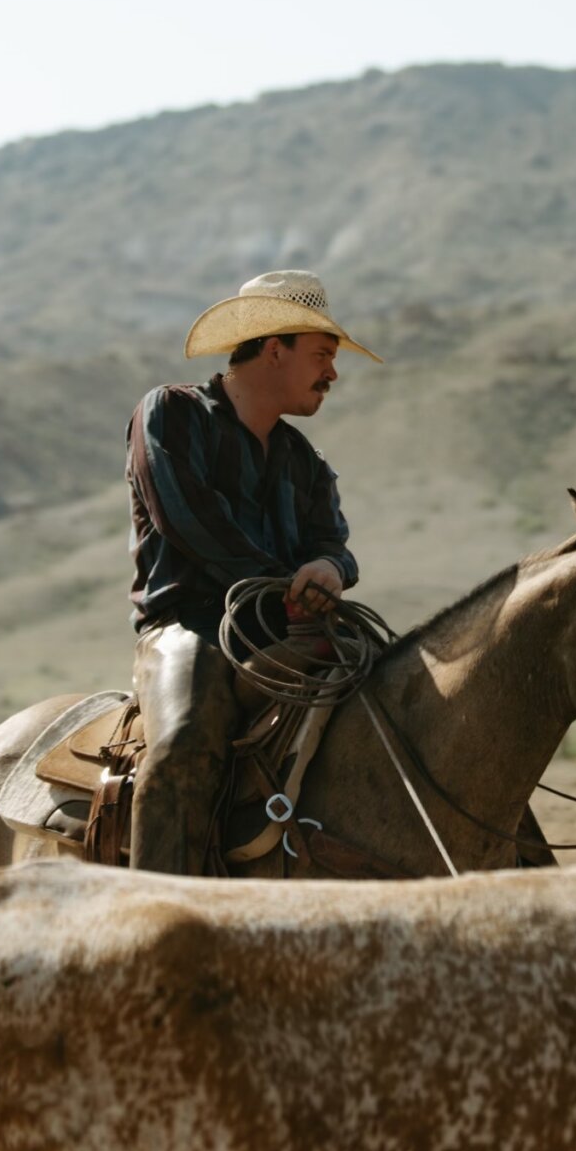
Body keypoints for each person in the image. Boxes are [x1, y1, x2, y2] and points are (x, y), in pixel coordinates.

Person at [125, 269, 382, 875]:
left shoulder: (305, 461)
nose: (333, 373)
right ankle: (156, 906)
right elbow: (189, 521)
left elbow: (333, 545)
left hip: (288, 629)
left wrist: (329, 568)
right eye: (322, 355)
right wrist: (285, 585)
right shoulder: (171, 413)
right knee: (184, 742)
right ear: (274, 350)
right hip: (191, 625)